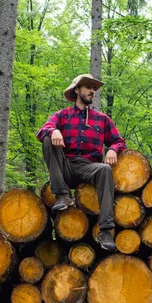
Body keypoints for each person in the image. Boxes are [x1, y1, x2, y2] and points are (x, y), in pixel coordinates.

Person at [36, 74, 127, 251]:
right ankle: (62, 194)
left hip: (90, 168)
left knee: (105, 170)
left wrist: (113, 149)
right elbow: (42, 131)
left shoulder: (102, 119)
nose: (92, 91)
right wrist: (53, 131)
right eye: (87, 87)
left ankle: (105, 231)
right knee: (47, 139)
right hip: (66, 166)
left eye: (94, 88)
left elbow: (119, 141)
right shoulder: (62, 115)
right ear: (76, 90)